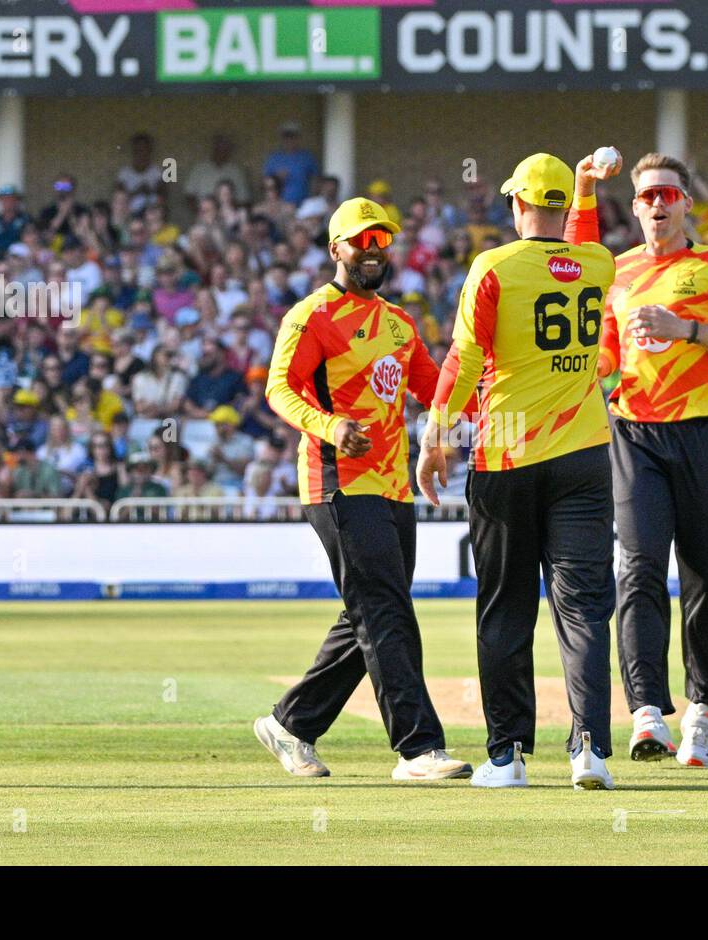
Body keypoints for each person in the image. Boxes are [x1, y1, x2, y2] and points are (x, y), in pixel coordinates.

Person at [416, 152, 619, 791]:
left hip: (506, 453)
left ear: (516, 205)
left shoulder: (494, 267)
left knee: (505, 609)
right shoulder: (600, 263)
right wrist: (584, 187)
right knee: (583, 607)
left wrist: (435, 436)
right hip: (585, 451)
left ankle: (506, 757)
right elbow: (576, 246)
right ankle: (589, 749)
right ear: (561, 208)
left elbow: (465, 356)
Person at [256, 197, 469, 782]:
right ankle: (418, 749)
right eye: (361, 242)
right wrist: (330, 425)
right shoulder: (310, 316)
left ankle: (290, 723)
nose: (373, 251)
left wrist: (499, 393)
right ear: (335, 250)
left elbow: (436, 388)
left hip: (393, 487)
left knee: (371, 611)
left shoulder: (400, 324)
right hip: (336, 483)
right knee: (384, 608)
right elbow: (279, 389)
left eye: (381, 242)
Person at [575, 151, 708, 767]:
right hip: (635, 434)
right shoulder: (617, 271)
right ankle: (647, 714)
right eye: (647, 196)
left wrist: (686, 330)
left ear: (687, 203)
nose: (658, 204)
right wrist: (583, 370)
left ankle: (704, 713)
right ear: (633, 207)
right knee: (636, 568)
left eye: (668, 194)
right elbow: (606, 355)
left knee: (706, 577)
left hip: (706, 434)